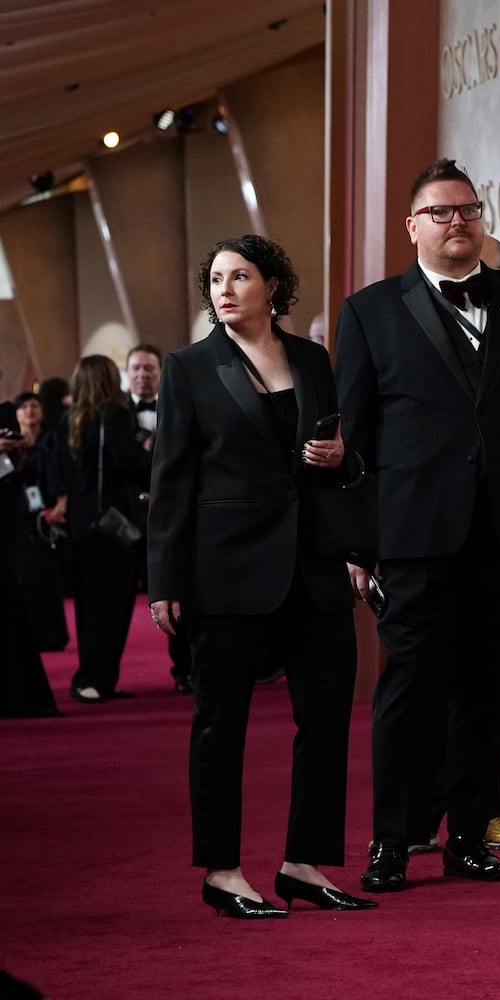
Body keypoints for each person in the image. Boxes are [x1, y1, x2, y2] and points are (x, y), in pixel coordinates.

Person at [334, 158, 500, 892]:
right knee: (409, 687)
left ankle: (471, 837)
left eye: (469, 211)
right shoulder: (370, 312)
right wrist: (356, 541)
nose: (459, 223)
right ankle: (392, 840)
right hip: (416, 537)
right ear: (413, 226)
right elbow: (354, 438)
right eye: (442, 212)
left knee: (492, 691)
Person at [148, 234, 376, 918]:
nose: (223, 289)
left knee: (327, 716)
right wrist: (164, 581)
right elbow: (171, 480)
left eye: (239, 276)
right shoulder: (188, 368)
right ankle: (222, 871)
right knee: (221, 723)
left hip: (313, 566)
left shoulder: (312, 359)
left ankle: (303, 864)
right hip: (226, 569)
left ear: (272, 285)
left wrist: (343, 462)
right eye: (215, 279)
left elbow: (337, 464)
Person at [66, 355, 152, 703]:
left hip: (80, 523)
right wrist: (150, 456)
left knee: (89, 605)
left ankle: (94, 677)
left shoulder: (70, 420)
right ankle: (95, 679)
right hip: (111, 524)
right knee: (111, 606)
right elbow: (128, 463)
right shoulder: (113, 415)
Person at [127, 343, 194, 691]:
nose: (142, 375)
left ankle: (186, 670)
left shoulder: (179, 405)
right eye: (136, 369)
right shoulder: (116, 415)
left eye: (149, 369)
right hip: (128, 523)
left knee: (178, 592)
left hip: (173, 517)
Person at [11, 391, 69, 651]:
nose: (29, 411)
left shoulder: (53, 441)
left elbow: (65, 475)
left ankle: (51, 634)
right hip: (16, 519)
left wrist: (60, 506)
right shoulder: (8, 443)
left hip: (47, 516)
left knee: (47, 578)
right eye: (23, 407)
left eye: (34, 405)